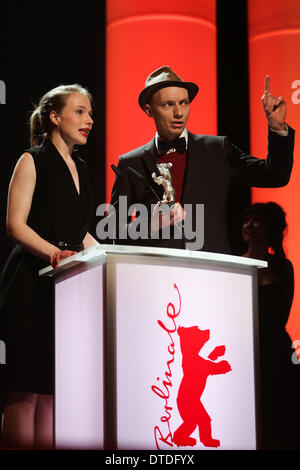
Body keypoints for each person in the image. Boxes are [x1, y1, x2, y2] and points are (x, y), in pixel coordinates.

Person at [0, 84, 98, 449]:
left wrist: (108, 259)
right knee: (25, 392)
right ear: (54, 117)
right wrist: (54, 254)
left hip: (65, 287)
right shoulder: (32, 159)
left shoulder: (81, 168)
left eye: (90, 113)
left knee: (53, 391)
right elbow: (15, 225)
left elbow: (79, 231)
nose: (89, 120)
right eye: (79, 111)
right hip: (30, 284)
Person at [108, 66, 294, 253]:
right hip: (154, 273)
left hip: (210, 272)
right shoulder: (130, 164)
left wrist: (277, 128)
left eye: (184, 103)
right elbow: (112, 234)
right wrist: (149, 225)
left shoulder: (217, 149)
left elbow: (275, 175)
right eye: (168, 104)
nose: (179, 113)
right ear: (149, 110)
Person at [242, 202, 300, 449]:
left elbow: (283, 314)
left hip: (276, 348)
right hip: (246, 351)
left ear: (271, 228)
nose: (249, 225)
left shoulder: (282, 267)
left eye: (258, 220)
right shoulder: (235, 263)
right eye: (248, 220)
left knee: (282, 414)